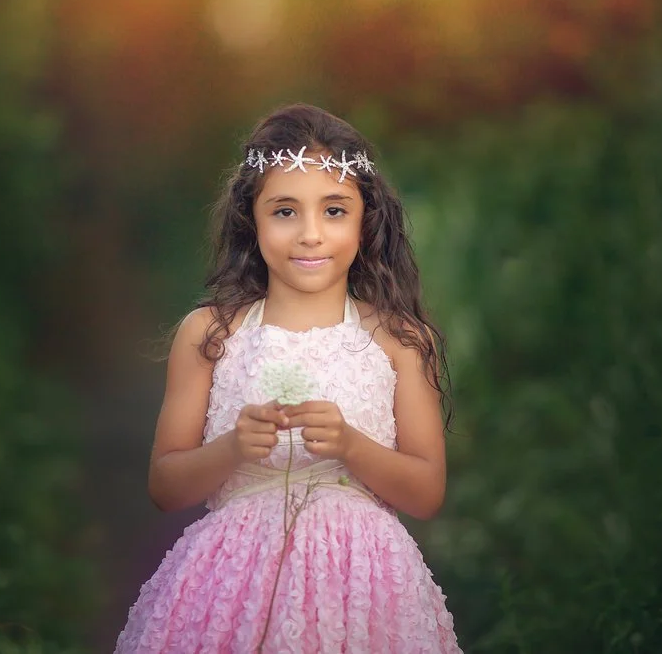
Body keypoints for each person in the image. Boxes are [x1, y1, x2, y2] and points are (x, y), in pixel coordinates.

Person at [115, 104, 463, 653]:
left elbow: (426, 492)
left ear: (364, 220)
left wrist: (351, 445)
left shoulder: (399, 340)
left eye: (333, 210)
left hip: (362, 588)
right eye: (284, 211)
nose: (309, 234)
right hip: (228, 586)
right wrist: (232, 449)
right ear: (250, 219)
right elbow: (165, 485)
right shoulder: (210, 334)